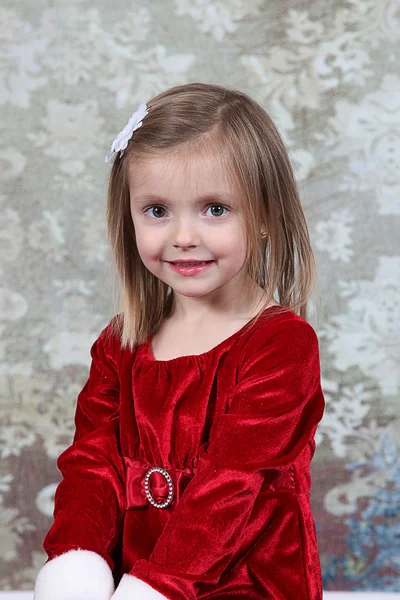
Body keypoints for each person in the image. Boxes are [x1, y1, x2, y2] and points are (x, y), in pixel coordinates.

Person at [33, 82, 325, 600]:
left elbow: (233, 485)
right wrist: (78, 560)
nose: (183, 236)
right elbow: (92, 462)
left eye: (215, 209)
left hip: (248, 585)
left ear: (265, 216)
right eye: (157, 210)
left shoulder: (282, 345)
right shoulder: (122, 343)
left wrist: (156, 587)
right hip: (135, 584)